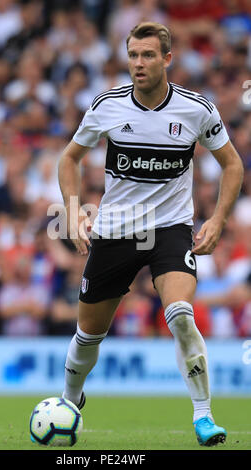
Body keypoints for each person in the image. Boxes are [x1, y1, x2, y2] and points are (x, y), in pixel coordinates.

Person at [58, 22, 244, 446]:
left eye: (147, 56)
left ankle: (203, 415)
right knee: (88, 332)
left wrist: (217, 220)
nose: (138, 64)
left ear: (167, 59)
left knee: (180, 313)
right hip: (115, 231)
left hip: (171, 229)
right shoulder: (107, 106)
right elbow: (68, 160)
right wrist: (71, 210)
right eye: (133, 56)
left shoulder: (197, 110)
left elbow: (232, 164)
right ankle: (69, 400)